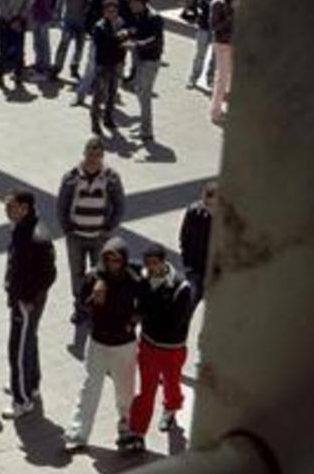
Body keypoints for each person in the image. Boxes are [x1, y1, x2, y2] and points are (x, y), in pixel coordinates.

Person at [64, 237, 141, 451]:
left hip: (124, 345)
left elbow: (145, 305)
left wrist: (131, 322)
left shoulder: (134, 279)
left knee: (125, 390)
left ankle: (126, 428)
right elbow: (81, 307)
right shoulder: (93, 278)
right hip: (98, 341)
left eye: (117, 260)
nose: (113, 264)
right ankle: (78, 433)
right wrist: (93, 299)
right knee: (90, 387)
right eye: (109, 259)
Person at [125, 244, 193, 452]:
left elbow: (173, 322)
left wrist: (143, 314)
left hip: (172, 348)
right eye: (148, 264)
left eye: (155, 263)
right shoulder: (143, 278)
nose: (151, 268)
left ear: (164, 262)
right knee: (146, 391)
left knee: (172, 383)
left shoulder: (182, 287)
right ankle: (137, 433)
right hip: (147, 345)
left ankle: (172, 408)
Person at [57, 138, 126, 323]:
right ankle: (80, 308)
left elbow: (120, 206)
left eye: (97, 155)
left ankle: (96, 310)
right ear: (84, 153)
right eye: (90, 154)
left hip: (99, 238)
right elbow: (61, 206)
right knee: (77, 275)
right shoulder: (71, 177)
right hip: (76, 237)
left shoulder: (111, 178)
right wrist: (67, 228)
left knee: (100, 274)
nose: (93, 158)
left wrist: (109, 228)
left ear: (102, 156)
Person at [2, 190, 57, 419]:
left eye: (11, 205)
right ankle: (31, 385)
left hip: (25, 302)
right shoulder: (24, 228)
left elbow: (48, 274)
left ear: (24, 208)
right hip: (24, 298)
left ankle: (21, 399)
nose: (6, 209)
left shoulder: (34, 236)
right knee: (29, 340)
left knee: (18, 349)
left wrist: (29, 298)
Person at [124, 0, 163, 141]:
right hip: (141, 58)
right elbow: (138, 32)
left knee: (145, 95)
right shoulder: (140, 15)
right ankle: (143, 124)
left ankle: (147, 131)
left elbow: (155, 41)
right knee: (140, 91)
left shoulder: (154, 17)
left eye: (132, 3)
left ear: (141, 3)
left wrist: (135, 45)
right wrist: (127, 33)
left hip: (150, 61)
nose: (130, 6)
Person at [89, 0, 126, 135]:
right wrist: (118, 38)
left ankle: (108, 118)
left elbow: (125, 41)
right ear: (104, 12)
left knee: (112, 93)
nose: (112, 14)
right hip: (103, 64)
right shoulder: (100, 26)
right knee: (99, 94)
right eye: (109, 11)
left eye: (114, 11)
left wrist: (122, 60)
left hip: (116, 63)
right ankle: (95, 121)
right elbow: (103, 45)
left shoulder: (121, 23)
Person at [189, 0, 227, 90]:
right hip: (204, 24)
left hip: (218, 28)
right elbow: (201, 0)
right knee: (200, 53)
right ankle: (193, 77)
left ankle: (210, 80)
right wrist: (216, 5)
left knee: (215, 56)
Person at [179, 181, 217, 308]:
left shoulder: (224, 220)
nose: (206, 207)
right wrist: (187, 264)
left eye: (211, 205)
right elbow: (184, 239)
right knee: (189, 304)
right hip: (195, 268)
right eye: (205, 203)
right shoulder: (193, 212)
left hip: (214, 272)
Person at [54, 0, 93, 80]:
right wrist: (58, 13)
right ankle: (57, 67)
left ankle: (74, 66)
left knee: (79, 46)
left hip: (81, 19)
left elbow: (89, 1)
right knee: (64, 43)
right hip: (68, 17)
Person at [208, 0, 237, 123]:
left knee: (232, 78)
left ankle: (227, 107)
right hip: (222, 44)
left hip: (234, 42)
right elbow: (214, 26)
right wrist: (231, 17)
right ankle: (215, 112)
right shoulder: (218, 3)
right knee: (222, 78)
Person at [27, 0, 57, 77]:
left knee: (42, 41)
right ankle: (40, 62)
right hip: (42, 12)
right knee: (38, 40)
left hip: (41, 13)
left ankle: (45, 65)